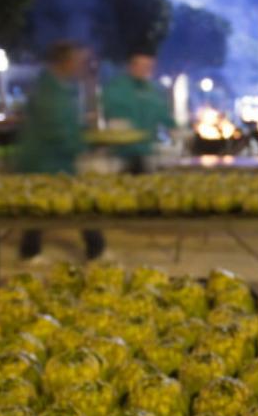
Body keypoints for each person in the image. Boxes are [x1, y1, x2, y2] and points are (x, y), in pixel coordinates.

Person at [15, 41, 103, 261]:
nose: (82, 66)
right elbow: (56, 128)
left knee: (47, 206)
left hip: (54, 160)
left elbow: (67, 124)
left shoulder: (59, 87)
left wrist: (85, 137)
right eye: (80, 61)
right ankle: (95, 250)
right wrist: (84, 148)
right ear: (66, 62)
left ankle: (94, 248)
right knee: (62, 205)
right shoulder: (50, 92)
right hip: (45, 161)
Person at [101, 53, 175, 174]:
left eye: (149, 67)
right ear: (132, 66)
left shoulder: (152, 89)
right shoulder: (117, 87)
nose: (147, 70)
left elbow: (162, 112)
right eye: (143, 66)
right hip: (122, 152)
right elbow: (111, 112)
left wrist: (174, 127)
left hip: (146, 149)